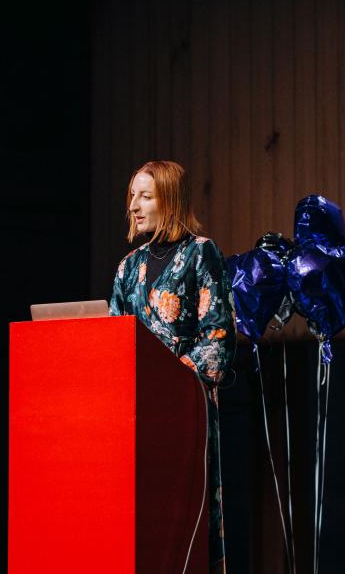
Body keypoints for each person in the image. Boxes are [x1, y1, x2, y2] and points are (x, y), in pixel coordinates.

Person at [109, 160, 236, 574]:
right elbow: (114, 340)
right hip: (137, 414)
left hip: (185, 408)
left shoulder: (201, 253)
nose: (133, 206)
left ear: (171, 200)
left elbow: (217, 335)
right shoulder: (128, 267)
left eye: (145, 196)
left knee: (181, 523)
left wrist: (172, 381)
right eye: (132, 196)